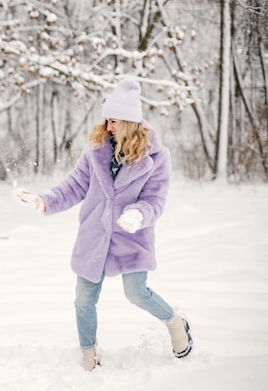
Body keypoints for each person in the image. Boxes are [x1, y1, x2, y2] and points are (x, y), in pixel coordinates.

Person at [13, 79, 192, 371]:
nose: (109, 127)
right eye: (108, 120)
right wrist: (44, 201)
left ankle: (176, 324)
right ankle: (89, 355)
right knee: (83, 299)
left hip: (131, 238)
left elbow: (155, 200)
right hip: (94, 236)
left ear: (132, 123)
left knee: (137, 293)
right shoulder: (96, 150)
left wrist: (137, 214)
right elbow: (74, 186)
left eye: (115, 121)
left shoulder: (158, 158)